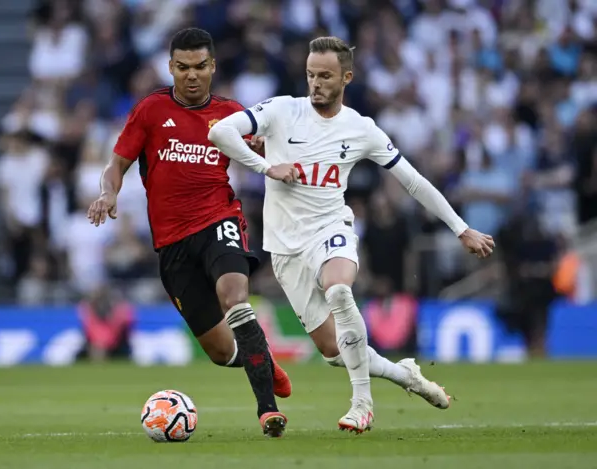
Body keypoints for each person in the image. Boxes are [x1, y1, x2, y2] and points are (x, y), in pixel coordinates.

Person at [208, 36, 495, 433]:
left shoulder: (361, 129)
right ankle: (405, 375)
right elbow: (220, 132)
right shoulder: (280, 111)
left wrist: (461, 229)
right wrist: (265, 167)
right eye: (310, 74)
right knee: (332, 350)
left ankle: (362, 404)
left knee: (339, 290)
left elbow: (412, 182)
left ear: (346, 77)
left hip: (332, 228)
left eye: (325, 76)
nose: (316, 83)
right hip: (286, 248)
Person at [86, 28, 291, 437]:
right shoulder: (150, 110)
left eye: (200, 67)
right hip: (172, 244)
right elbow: (116, 164)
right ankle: (261, 357)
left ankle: (267, 410)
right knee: (219, 351)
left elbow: (272, 149)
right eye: (183, 68)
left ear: (213, 66)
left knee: (235, 295)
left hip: (219, 221)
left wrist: (277, 156)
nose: (192, 76)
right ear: (171, 67)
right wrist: (107, 193)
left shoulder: (234, 115)